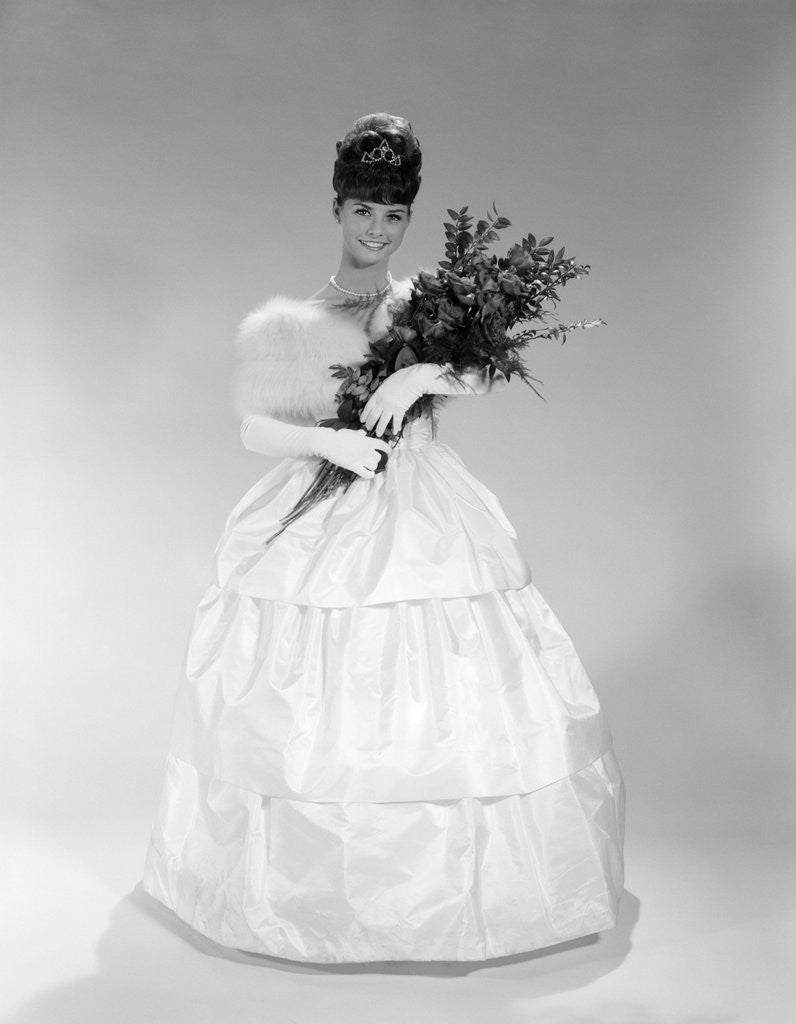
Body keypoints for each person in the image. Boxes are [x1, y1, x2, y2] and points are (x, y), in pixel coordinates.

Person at [142, 113, 626, 964]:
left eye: (394, 214)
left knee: (443, 680)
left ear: (408, 219)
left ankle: (439, 896)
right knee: (318, 690)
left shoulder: (426, 302)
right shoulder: (295, 320)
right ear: (336, 209)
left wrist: (419, 373)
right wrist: (328, 444)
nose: (377, 228)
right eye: (363, 210)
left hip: (423, 507)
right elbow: (254, 425)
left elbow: (479, 371)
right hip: (328, 504)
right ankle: (325, 896)